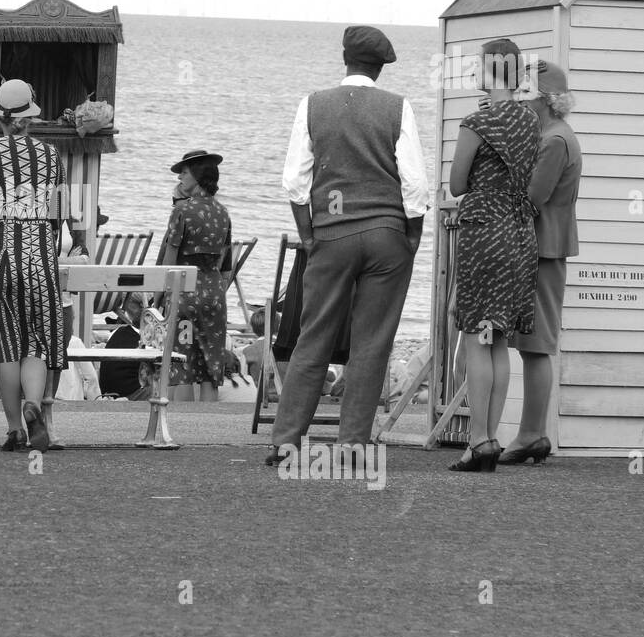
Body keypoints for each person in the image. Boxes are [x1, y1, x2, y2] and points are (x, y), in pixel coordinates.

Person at [269, 25, 430, 465]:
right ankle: (352, 444)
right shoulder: (398, 108)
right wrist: (411, 236)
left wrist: (308, 233)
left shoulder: (313, 104)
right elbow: (415, 185)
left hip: (331, 235)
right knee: (372, 342)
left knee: (313, 337)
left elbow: (295, 182)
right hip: (386, 237)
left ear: (345, 59)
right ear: (380, 67)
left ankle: (286, 440)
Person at [447, 38, 540, 472]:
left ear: (490, 71)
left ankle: (478, 440)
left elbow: (457, 183)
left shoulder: (476, 122)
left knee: (476, 335)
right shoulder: (531, 121)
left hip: (485, 232)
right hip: (520, 233)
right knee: (498, 338)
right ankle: (492, 438)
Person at [0, 79, 69, 451]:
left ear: (1, 118)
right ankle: (32, 404)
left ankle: (14, 429)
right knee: (38, 343)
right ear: (30, 116)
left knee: (5, 345)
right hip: (40, 253)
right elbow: (59, 212)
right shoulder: (52, 155)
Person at [501, 60, 580, 465]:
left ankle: (532, 433)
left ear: (546, 100)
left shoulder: (553, 140)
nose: (521, 102)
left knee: (537, 343)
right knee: (534, 343)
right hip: (544, 246)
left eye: (527, 95)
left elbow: (533, 197)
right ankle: (531, 433)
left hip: (542, 248)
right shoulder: (557, 134)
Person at [158, 149, 233, 402]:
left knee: (182, 364)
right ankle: (207, 426)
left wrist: (160, 295)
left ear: (198, 176)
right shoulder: (223, 213)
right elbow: (224, 265)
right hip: (214, 294)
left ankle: (183, 427)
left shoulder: (182, 211)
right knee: (210, 366)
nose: (180, 176)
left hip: (184, 293)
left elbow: (170, 259)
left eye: (185, 172)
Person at [100, 292, 147, 398]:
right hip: (129, 393)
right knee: (157, 388)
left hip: (107, 392)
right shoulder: (143, 341)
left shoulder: (116, 332)